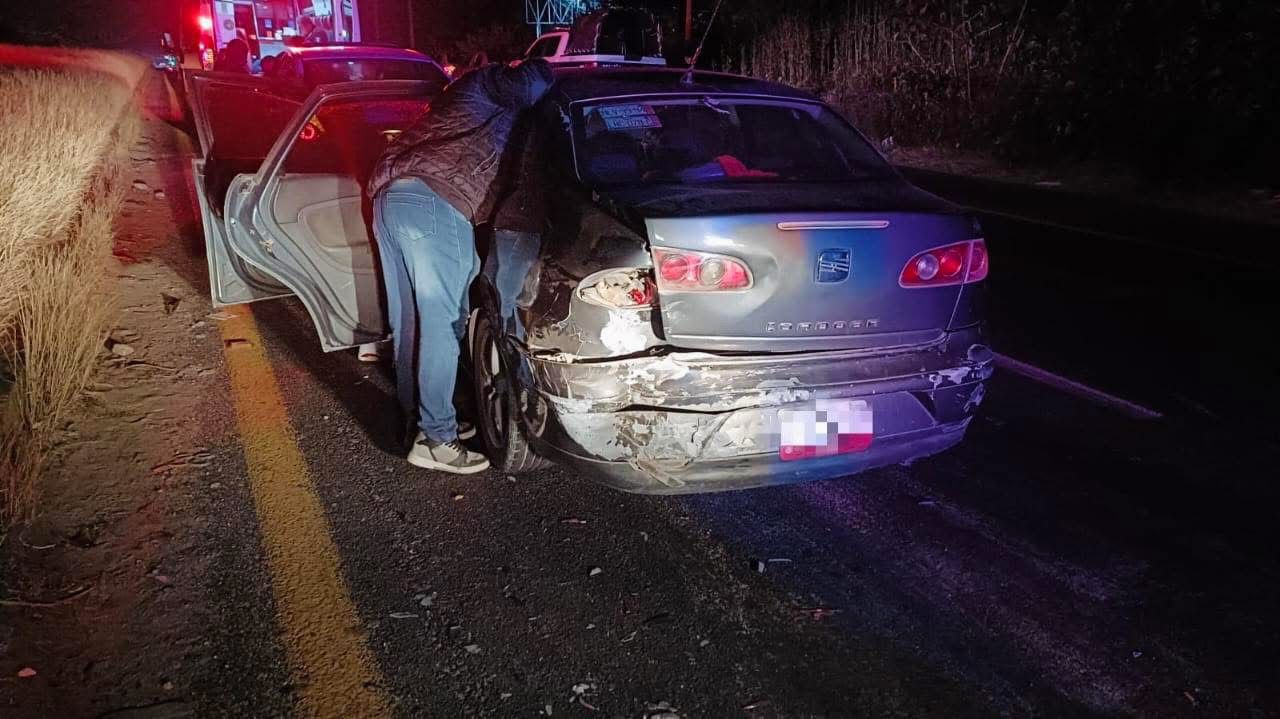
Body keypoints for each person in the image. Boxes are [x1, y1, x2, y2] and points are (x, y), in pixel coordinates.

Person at [367, 59, 554, 475]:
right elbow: (530, 84)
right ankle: (436, 440)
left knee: (412, 323)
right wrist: (550, 75)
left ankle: (419, 421)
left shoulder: (466, 102)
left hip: (393, 197)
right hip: (434, 201)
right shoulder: (493, 84)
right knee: (443, 323)